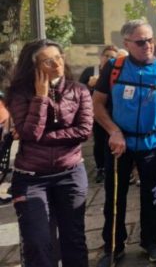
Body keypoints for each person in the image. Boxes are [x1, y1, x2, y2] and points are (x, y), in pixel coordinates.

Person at [93, 19, 156, 266]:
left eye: (151, 40)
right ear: (127, 43)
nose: (148, 45)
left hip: (152, 144)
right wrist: (113, 131)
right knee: (115, 196)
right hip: (118, 145)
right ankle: (113, 246)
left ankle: (151, 242)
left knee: (152, 196)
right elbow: (97, 104)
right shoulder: (114, 68)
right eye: (141, 41)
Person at [6, 39, 93, 267]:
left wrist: (42, 138)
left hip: (70, 173)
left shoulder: (79, 90)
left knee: (73, 239)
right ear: (34, 67)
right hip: (31, 178)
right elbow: (29, 132)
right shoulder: (19, 93)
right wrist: (41, 97)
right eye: (48, 61)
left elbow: (84, 131)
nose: (56, 64)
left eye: (59, 57)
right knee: (37, 242)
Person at [79, 45, 119, 183]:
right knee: (99, 141)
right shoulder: (91, 71)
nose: (108, 59)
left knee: (112, 140)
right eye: (106, 55)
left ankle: (112, 168)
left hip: (114, 112)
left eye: (112, 57)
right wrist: (89, 85)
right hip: (96, 113)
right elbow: (79, 89)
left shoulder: (117, 71)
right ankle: (100, 168)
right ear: (101, 57)